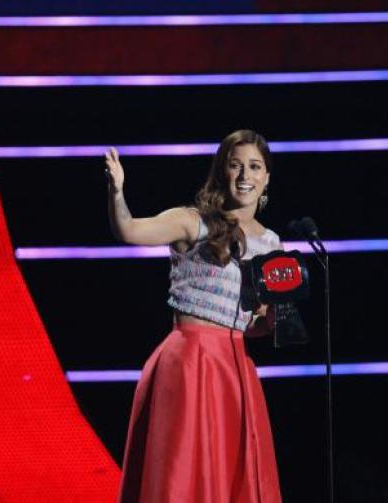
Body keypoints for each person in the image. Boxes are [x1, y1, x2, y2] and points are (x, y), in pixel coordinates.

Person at [106, 130, 283, 502]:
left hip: (234, 370)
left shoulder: (271, 244)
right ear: (222, 172)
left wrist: (272, 322)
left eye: (254, 167)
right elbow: (130, 231)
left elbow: (255, 325)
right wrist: (117, 193)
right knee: (182, 475)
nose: (244, 176)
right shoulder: (193, 221)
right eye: (235, 166)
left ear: (267, 177)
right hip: (189, 364)